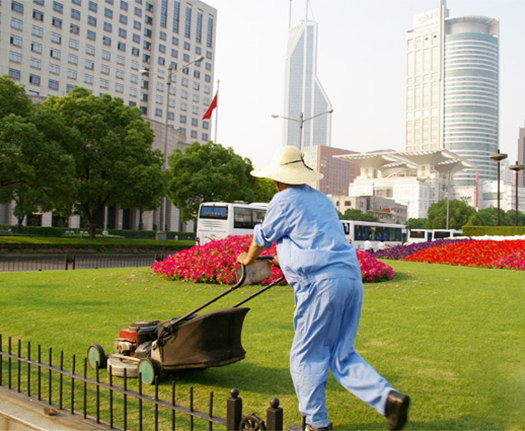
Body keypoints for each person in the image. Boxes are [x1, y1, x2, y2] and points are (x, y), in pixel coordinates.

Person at [236, 146, 409, 431]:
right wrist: (284, 260)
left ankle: (315, 424)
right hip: (349, 279)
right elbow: (312, 241)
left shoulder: (283, 199)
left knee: (306, 354)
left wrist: (247, 258)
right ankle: (388, 400)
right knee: (342, 354)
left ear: (279, 180)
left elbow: (262, 236)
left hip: (320, 285)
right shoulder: (321, 200)